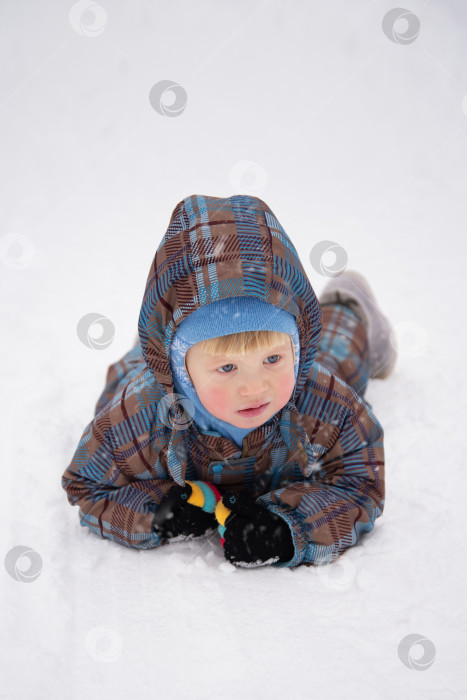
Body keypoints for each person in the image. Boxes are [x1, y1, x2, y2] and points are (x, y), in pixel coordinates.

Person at [61, 194, 397, 569]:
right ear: (180, 370)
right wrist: (155, 511)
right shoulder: (135, 417)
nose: (256, 387)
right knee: (131, 368)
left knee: (339, 355)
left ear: (297, 346)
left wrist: (289, 528)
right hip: (154, 372)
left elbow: (359, 484)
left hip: (220, 360)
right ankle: (150, 343)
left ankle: (347, 302)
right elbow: (87, 487)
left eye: (272, 359)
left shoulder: (322, 400)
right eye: (228, 368)